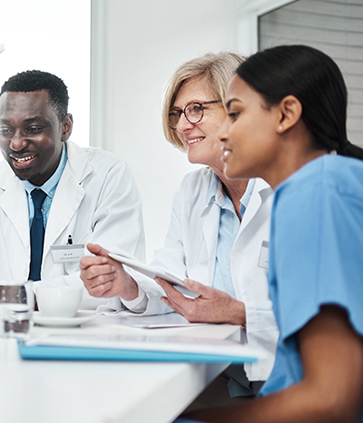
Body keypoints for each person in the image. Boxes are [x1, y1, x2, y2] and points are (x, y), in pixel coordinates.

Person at [80, 53, 279, 403]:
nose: (184, 125)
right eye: (178, 114)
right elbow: (173, 280)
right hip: (220, 378)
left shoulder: (287, 190)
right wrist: (126, 284)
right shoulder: (193, 190)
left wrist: (236, 313)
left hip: (285, 381)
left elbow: (326, 319)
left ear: (240, 108)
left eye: (197, 108)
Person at [181, 45, 363, 422]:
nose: (224, 134)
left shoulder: (314, 192)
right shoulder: (328, 183)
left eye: (235, 114)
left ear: (286, 114)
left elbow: (332, 397)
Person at [0, 70, 146, 317]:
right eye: (6, 130)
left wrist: (7, 297)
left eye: (33, 128)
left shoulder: (108, 176)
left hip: (84, 334)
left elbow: (111, 281)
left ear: (65, 127)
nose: (16, 144)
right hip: (6, 333)